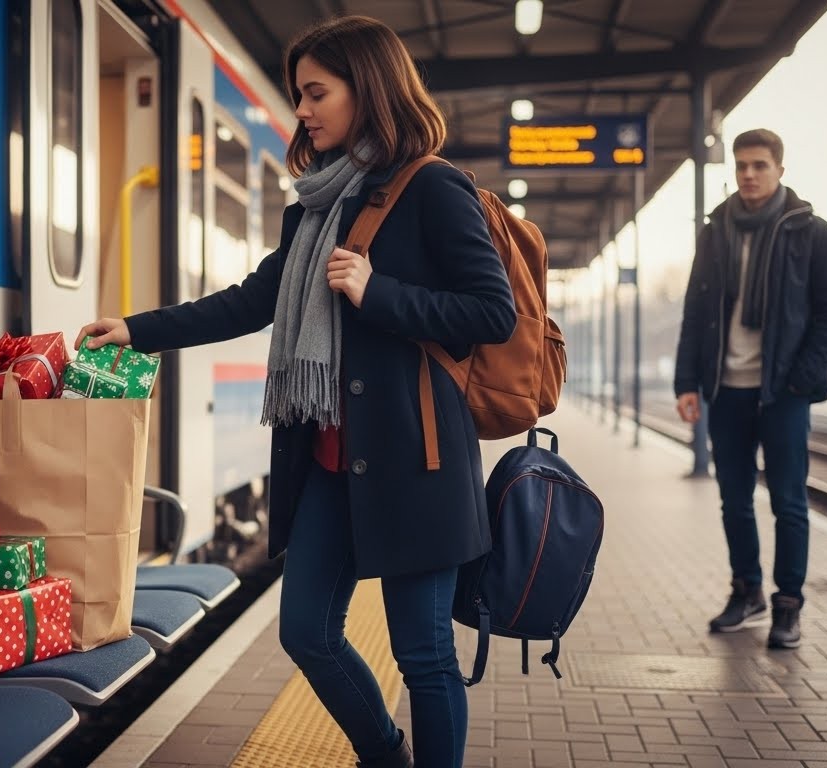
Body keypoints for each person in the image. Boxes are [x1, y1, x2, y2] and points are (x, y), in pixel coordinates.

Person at [78, 16, 514, 768]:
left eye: (316, 93)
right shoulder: (313, 206)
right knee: (304, 630)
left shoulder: (434, 188)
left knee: (424, 654)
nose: (303, 111)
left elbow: (490, 312)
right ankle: (384, 751)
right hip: (330, 462)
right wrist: (136, 328)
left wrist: (379, 293)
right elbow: (252, 302)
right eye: (299, 95)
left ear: (367, 88)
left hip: (418, 461)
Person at [674, 128, 827, 649]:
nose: (748, 174)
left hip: (783, 393)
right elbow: (696, 310)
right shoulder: (716, 231)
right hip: (727, 389)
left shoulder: (811, 232)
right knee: (734, 500)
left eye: (759, 165)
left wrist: (798, 377)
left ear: (779, 170)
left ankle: (788, 605)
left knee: (789, 503)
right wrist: (687, 381)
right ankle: (746, 590)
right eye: (742, 165)